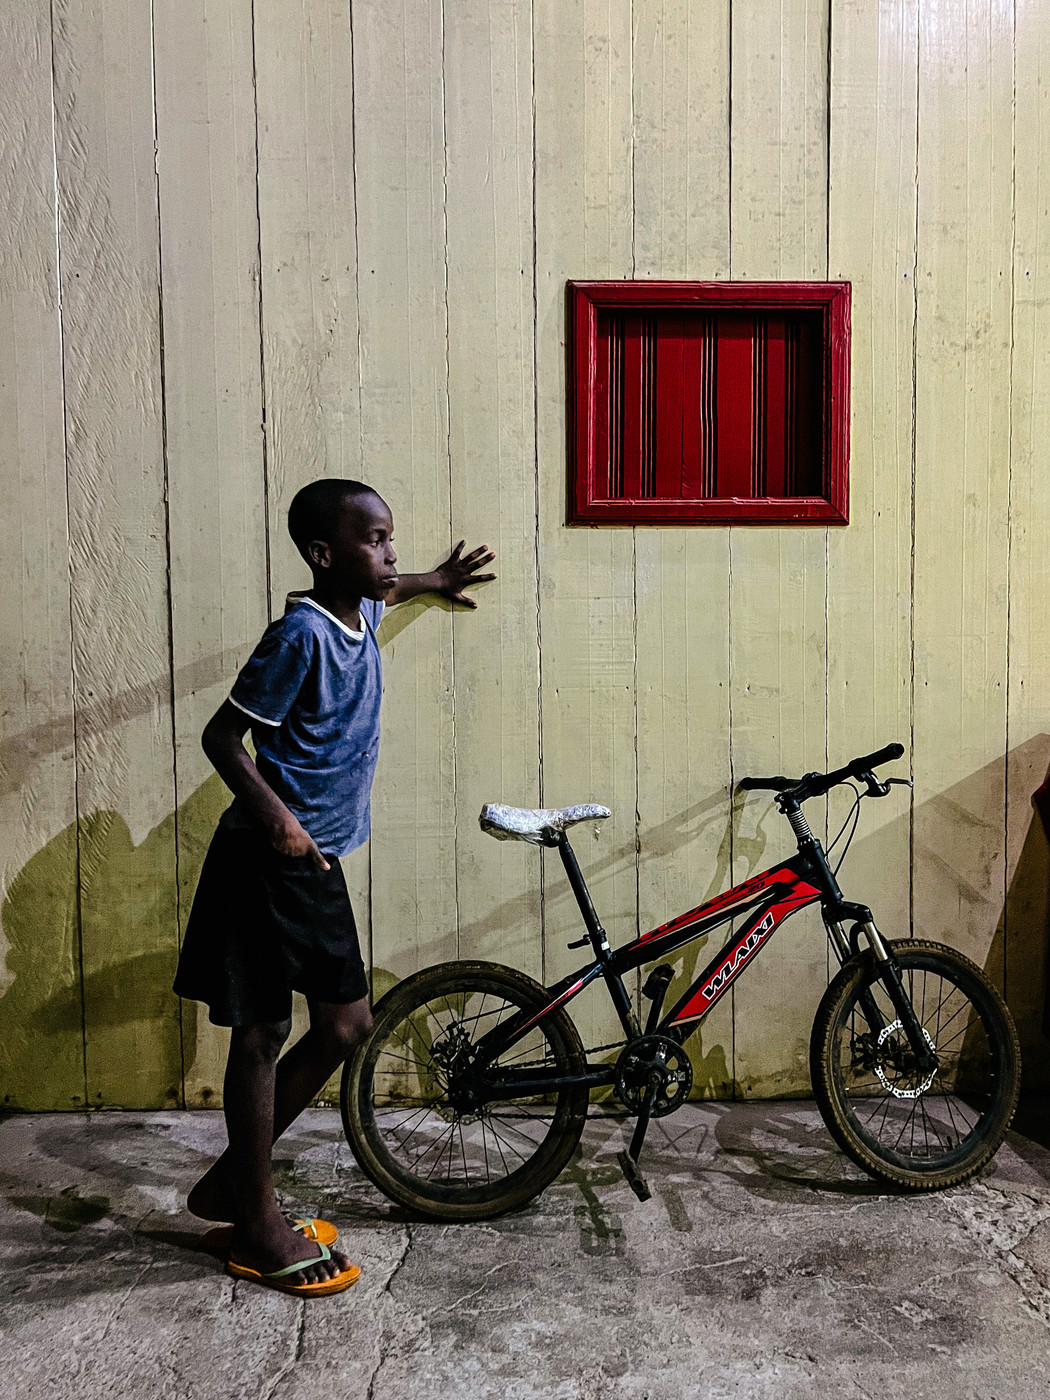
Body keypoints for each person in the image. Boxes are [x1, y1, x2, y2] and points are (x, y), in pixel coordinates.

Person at [173, 478, 495, 1297]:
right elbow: (221, 736)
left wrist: (433, 578)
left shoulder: (365, 610)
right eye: (375, 539)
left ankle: (229, 1187)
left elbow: (397, 584)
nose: (390, 553)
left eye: (392, 537)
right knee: (260, 1035)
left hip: (315, 864)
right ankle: (255, 1221)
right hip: (264, 859)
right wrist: (277, 815)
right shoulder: (301, 636)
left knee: (347, 1025)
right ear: (324, 555)